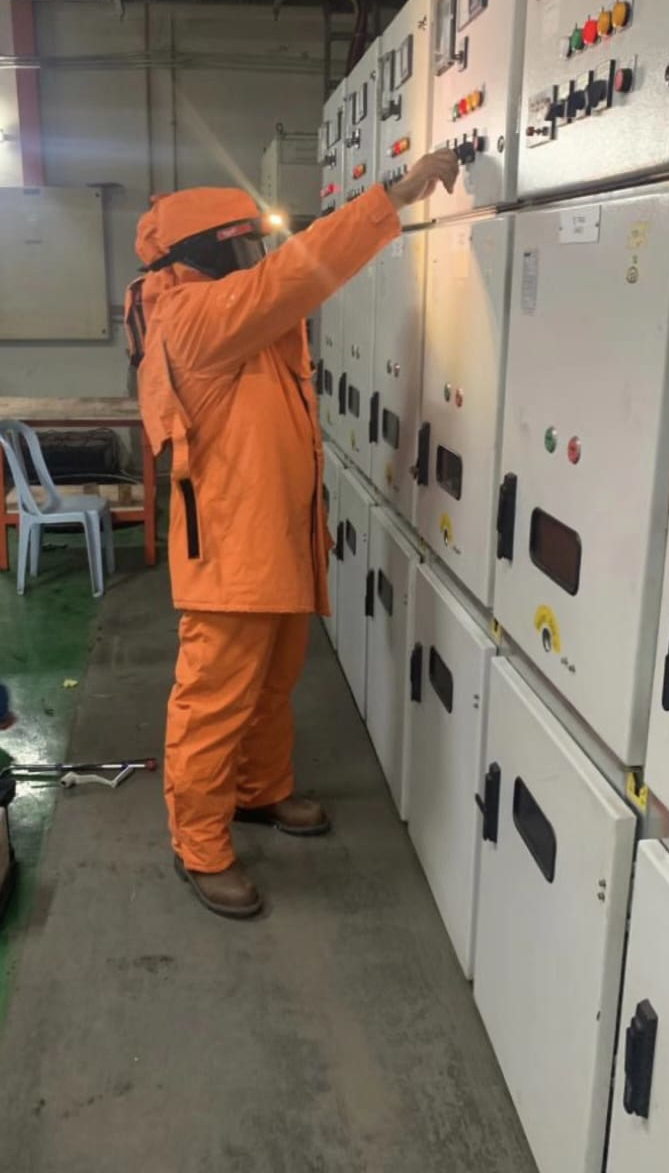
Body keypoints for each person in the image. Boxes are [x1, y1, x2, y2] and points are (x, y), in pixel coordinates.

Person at [132, 149, 459, 918]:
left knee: (272, 685)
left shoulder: (230, 312)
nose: (255, 253)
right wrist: (391, 198)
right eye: (242, 241)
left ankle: (259, 792)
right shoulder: (196, 315)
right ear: (206, 251)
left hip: (268, 539)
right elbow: (293, 278)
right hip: (231, 551)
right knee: (214, 701)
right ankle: (200, 845)